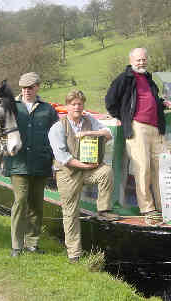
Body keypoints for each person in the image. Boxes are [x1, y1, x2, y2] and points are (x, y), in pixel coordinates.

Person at [49, 90, 120, 263]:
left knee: (106, 172)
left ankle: (103, 210)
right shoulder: (57, 127)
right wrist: (85, 165)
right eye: (73, 104)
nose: (77, 107)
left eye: (80, 104)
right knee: (71, 212)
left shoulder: (89, 120)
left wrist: (89, 134)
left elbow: (108, 134)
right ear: (67, 106)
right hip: (67, 173)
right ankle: (74, 253)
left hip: (88, 170)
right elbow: (63, 158)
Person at [105, 47, 171, 216]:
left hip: (156, 128)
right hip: (138, 128)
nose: (141, 63)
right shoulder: (124, 78)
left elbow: (151, 99)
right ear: (131, 61)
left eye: (144, 59)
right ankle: (147, 208)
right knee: (142, 168)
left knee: (160, 168)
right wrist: (122, 117)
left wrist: (162, 102)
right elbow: (110, 100)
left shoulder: (149, 79)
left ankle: (162, 205)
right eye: (138, 60)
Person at [4, 72, 59, 257]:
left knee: (36, 205)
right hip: (18, 164)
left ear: (37, 87)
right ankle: (16, 245)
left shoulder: (48, 110)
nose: (26, 91)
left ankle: (33, 243)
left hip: (40, 164)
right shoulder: (12, 107)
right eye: (23, 88)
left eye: (30, 87)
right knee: (20, 202)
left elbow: (56, 137)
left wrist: (55, 160)